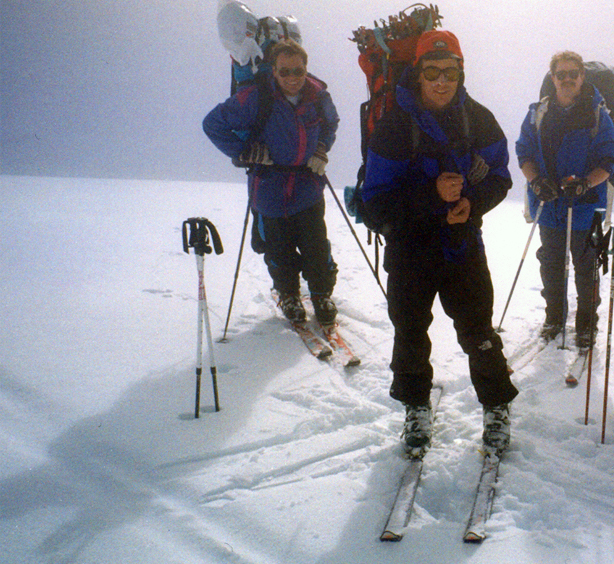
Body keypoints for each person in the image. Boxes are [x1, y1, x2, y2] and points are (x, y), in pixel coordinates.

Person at [360, 30, 518, 456]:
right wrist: (433, 197)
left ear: (460, 71)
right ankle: (415, 408)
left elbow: (501, 177)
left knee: (478, 332)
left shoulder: (478, 118)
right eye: (432, 71)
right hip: (410, 251)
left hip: (462, 246)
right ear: (419, 72)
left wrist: (472, 202)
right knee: (410, 333)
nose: (442, 80)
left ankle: (497, 406)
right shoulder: (395, 126)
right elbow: (374, 201)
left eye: (450, 71)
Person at [203, 39, 340, 326]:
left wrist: (322, 148)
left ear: (306, 69)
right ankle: (288, 294)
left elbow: (330, 123)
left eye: (298, 71)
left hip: (308, 185)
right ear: (274, 71)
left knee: (316, 245)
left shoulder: (318, 97)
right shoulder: (256, 98)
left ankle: (321, 294)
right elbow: (213, 123)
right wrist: (243, 152)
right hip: (268, 187)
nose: (293, 78)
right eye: (285, 71)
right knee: (279, 248)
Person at [515, 51, 614, 348]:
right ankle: (554, 318)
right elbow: (523, 151)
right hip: (549, 205)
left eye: (573, 73)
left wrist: (586, 184)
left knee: (586, 267)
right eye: (561, 74)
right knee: (551, 264)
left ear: (582, 76)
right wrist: (536, 181)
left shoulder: (597, 114)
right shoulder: (538, 113)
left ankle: (587, 325)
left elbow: (609, 157)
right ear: (553, 78)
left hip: (584, 207)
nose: (567, 79)